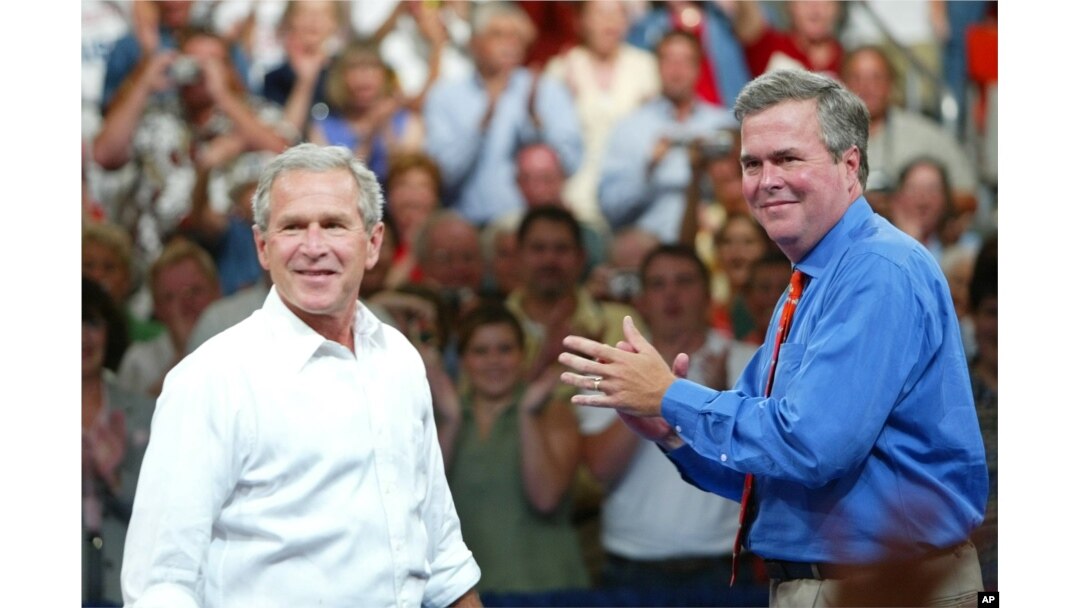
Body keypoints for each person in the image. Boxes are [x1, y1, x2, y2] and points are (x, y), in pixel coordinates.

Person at [558, 69, 987, 607]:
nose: (766, 180)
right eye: (751, 164)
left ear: (849, 164)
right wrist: (669, 430)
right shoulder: (806, 283)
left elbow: (811, 446)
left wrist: (673, 395)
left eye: (787, 159)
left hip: (900, 588)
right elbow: (768, 468)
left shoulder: (878, 268)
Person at [121, 143, 481, 607]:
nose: (314, 247)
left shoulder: (399, 359)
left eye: (333, 224)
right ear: (262, 247)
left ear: (372, 244)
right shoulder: (211, 379)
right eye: (293, 227)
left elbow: (443, 557)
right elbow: (160, 586)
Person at [582, 245, 763, 595]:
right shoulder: (616, 368)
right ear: (642, 299)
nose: (672, 294)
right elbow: (600, 469)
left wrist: (719, 402)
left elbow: (765, 468)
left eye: (684, 281)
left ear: (708, 293)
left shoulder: (750, 363)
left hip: (724, 564)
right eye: (658, 284)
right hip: (632, 562)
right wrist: (647, 393)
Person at [431, 304, 588, 594]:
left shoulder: (553, 413)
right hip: (464, 595)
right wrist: (451, 421)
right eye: (480, 351)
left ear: (522, 356)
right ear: (463, 359)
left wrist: (526, 415)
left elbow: (545, 499)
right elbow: (423, 505)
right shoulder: (443, 418)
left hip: (547, 591)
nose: (494, 361)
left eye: (505, 349)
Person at [423, 0, 582, 225]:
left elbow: (571, 163)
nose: (510, 44)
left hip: (531, 227)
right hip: (470, 228)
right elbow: (442, 175)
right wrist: (481, 126)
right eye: (498, 35)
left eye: (516, 36)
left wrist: (537, 126)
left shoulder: (546, 90)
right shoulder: (445, 97)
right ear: (474, 42)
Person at [598, 30, 738, 243]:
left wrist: (711, 175)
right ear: (657, 66)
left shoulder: (721, 125)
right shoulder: (630, 128)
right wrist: (648, 170)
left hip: (713, 239)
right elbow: (610, 208)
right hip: (648, 243)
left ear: (698, 68)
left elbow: (745, 192)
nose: (677, 70)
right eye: (669, 60)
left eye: (685, 61)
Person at [543, 0, 659, 230]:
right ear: (581, 21)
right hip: (576, 195)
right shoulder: (562, 68)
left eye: (618, 14)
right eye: (600, 14)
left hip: (634, 193)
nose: (610, 22)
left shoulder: (646, 66)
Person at [83, 277, 155, 606]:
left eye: (92, 322)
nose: (83, 337)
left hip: (128, 587)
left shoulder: (143, 412)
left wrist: (115, 478)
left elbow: (164, 512)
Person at [116, 238, 222, 398]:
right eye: (170, 297)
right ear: (158, 309)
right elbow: (136, 417)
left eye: (195, 291)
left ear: (217, 291)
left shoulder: (247, 342)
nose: (186, 304)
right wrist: (184, 353)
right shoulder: (138, 362)